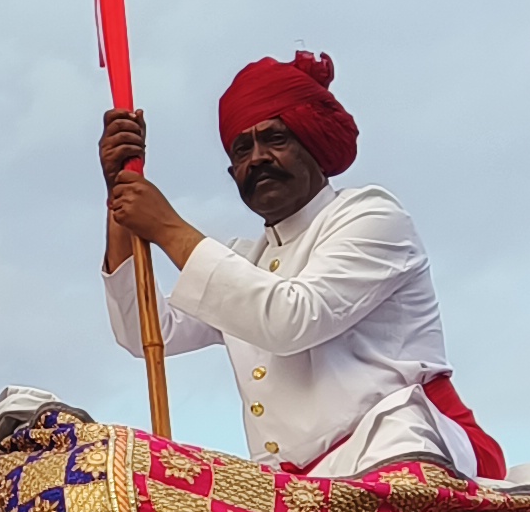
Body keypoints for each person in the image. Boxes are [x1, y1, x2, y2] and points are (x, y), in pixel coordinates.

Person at [99, 51, 505, 480]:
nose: (257, 158)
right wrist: (118, 197)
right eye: (242, 149)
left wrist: (166, 227)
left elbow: (290, 318)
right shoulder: (244, 259)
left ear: (312, 144)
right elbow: (143, 331)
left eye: (275, 139)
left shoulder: (371, 216)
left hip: (401, 449)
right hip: (302, 485)